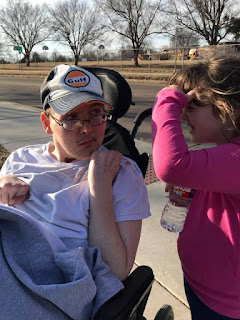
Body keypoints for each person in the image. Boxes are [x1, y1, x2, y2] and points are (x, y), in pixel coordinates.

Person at [0, 64, 150, 281]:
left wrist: (100, 186)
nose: (88, 129)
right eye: (71, 118)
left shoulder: (122, 175)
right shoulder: (20, 160)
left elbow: (115, 271)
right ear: (47, 124)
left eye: (96, 113)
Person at [151, 57, 240, 320]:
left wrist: (165, 100)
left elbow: (170, 166)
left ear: (228, 108)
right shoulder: (225, 154)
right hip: (202, 286)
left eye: (190, 105)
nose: (182, 115)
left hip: (225, 305)